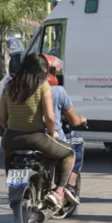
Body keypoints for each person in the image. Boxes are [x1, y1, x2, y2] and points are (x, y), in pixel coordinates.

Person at [0, 53, 75, 209]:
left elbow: (1, 117)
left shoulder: (9, 86)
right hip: (36, 138)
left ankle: (14, 189)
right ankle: (58, 192)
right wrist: (53, 132)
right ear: (42, 70)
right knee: (69, 153)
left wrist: (9, 130)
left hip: (11, 139)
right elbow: (50, 117)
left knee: (10, 157)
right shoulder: (42, 86)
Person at [43, 55, 86, 206]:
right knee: (77, 140)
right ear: (51, 72)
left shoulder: (24, 89)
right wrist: (82, 119)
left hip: (23, 136)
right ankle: (68, 186)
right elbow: (73, 120)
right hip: (52, 138)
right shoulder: (58, 91)